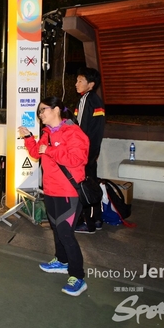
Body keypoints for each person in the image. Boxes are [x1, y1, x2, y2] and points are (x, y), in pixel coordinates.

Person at [18, 96, 89, 297]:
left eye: (43, 110)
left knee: (66, 233)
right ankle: (61, 261)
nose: (40, 114)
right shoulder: (47, 133)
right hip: (50, 190)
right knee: (57, 229)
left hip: (68, 192)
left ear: (56, 109)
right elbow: (36, 153)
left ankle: (78, 276)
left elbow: (78, 159)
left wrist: (49, 150)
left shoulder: (73, 132)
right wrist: (28, 137)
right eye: (39, 111)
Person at [73, 67, 106, 234]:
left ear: (91, 84)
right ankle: (97, 219)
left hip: (84, 151)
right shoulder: (97, 100)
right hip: (93, 149)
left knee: (84, 186)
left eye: (80, 81)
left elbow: (80, 129)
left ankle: (88, 222)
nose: (76, 84)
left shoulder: (86, 99)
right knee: (91, 182)